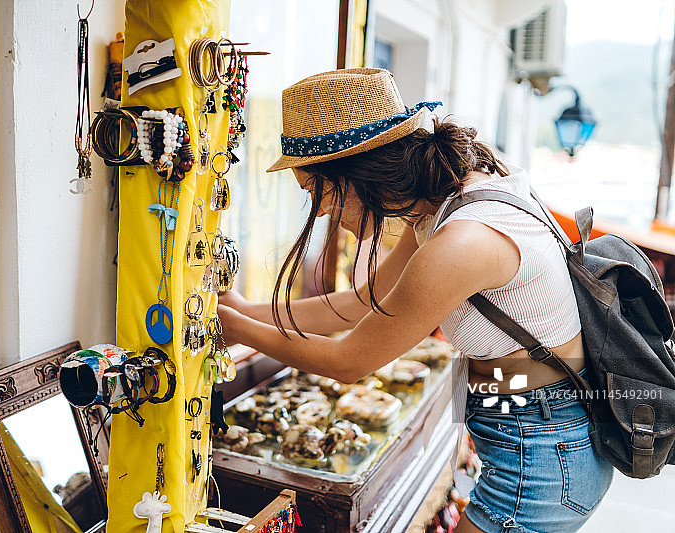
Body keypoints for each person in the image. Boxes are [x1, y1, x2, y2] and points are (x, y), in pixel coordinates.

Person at [216, 68, 613, 532]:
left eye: (314, 191)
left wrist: (241, 331)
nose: (319, 210)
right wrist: (247, 311)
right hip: (532, 434)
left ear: (357, 171)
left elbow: (349, 360)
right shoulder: (446, 199)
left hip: (543, 457)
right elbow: (365, 301)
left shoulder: (459, 242)